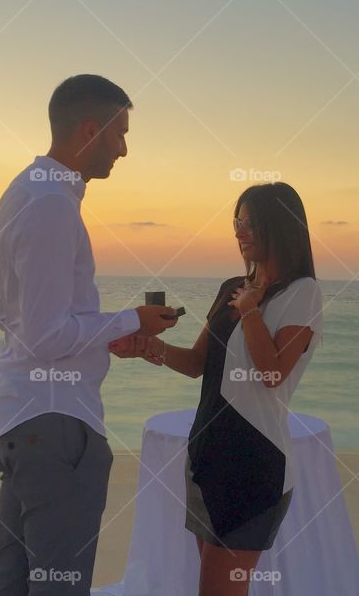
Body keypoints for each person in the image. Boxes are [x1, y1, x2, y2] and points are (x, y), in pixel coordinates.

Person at [0, 74, 178, 595]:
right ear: (89, 130)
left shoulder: (30, 190)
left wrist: (105, 336)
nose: (124, 150)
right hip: (55, 423)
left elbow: (35, 326)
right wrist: (132, 320)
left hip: (26, 416)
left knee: (12, 580)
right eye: (120, 136)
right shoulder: (50, 204)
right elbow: (47, 337)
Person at [110, 182, 323, 596]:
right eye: (236, 223)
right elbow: (195, 364)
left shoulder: (303, 293)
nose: (239, 233)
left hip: (254, 461)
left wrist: (251, 313)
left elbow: (273, 373)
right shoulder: (232, 287)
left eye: (249, 223)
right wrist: (149, 348)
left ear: (278, 226)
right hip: (207, 453)